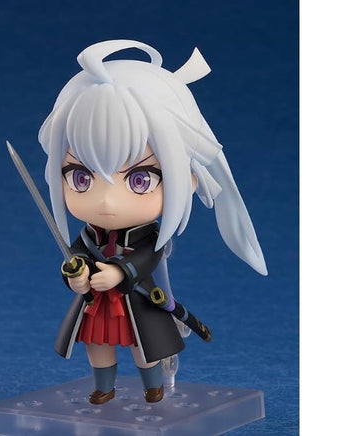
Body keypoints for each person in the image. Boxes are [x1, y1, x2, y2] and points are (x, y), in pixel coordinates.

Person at [38, 40, 267, 404]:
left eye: (139, 179)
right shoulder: (89, 234)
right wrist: (76, 277)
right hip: (97, 302)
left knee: (144, 345)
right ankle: (104, 387)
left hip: (138, 299)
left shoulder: (147, 235)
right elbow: (77, 254)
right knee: (96, 343)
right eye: (81, 177)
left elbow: (150, 256)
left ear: (186, 179)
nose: (107, 200)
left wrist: (120, 272)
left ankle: (153, 386)